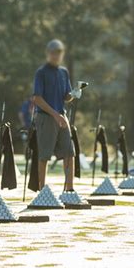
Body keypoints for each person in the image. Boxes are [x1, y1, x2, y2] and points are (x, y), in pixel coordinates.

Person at [32, 39, 82, 191]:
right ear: (48, 53)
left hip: (61, 116)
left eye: (59, 53)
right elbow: (37, 99)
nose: (56, 56)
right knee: (44, 155)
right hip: (46, 117)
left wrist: (74, 93)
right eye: (53, 53)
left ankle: (69, 189)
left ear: (62, 54)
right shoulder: (41, 73)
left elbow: (66, 97)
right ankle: (42, 191)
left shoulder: (63, 72)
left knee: (69, 152)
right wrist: (55, 115)